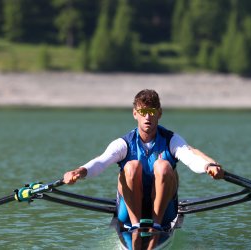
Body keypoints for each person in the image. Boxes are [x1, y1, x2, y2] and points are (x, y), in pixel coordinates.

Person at [63, 89, 224, 231]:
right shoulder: (124, 143)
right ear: (135, 114)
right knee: (131, 166)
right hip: (129, 210)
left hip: (165, 211)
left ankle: (156, 225)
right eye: (143, 112)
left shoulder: (171, 140)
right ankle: (135, 226)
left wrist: (207, 166)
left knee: (163, 166)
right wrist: (79, 172)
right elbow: (100, 162)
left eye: (152, 112)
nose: (148, 117)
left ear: (159, 114)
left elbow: (190, 158)